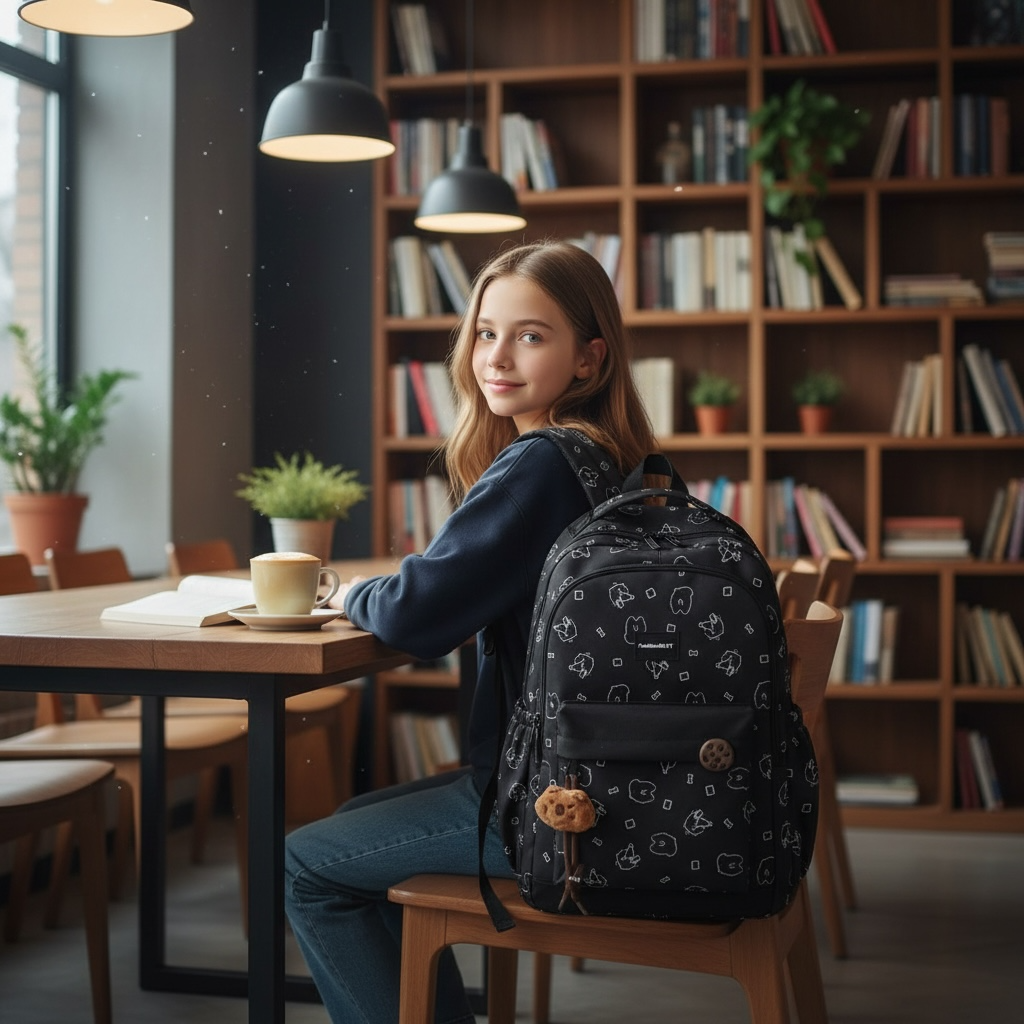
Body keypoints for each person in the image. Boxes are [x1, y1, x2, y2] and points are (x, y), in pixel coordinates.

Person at [284, 239, 658, 1024]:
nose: (498, 356)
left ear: (589, 360)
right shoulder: (625, 462)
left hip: (556, 808)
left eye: (531, 335)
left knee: (307, 865)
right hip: (630, 787)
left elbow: (418, 616)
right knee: (353, 831)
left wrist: (350, 591)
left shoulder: (541, 465)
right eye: (487, 332)